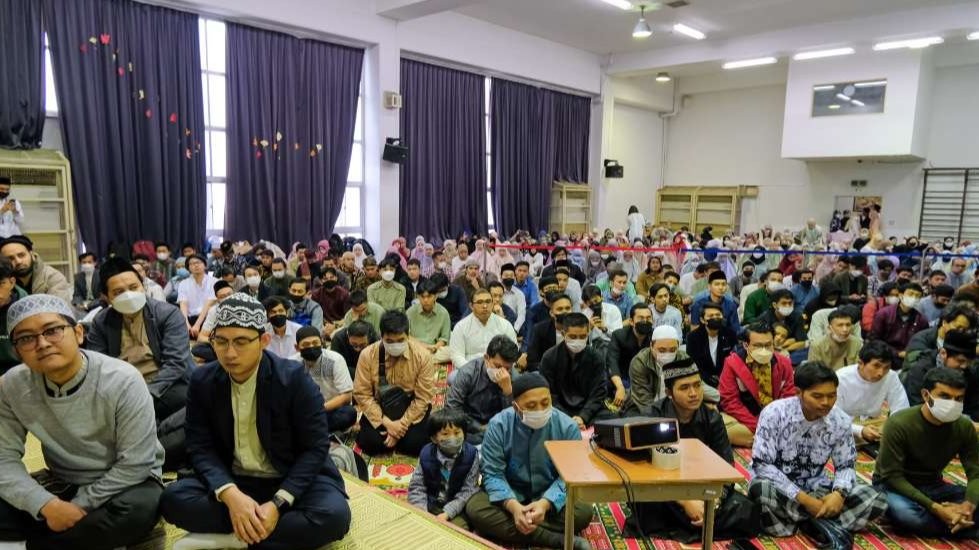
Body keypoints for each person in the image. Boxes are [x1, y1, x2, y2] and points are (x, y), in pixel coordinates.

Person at [160, 293, 351, 550]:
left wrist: (278, 504)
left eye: (240, 342)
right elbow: (200, 446)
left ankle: (233, 539)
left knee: (333, 516)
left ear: (263, 340)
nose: (229, 353)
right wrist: (230, 495)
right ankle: (265, 535)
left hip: (287, 476)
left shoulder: (294, 379)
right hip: (235, 479)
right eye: (221, 341)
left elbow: (314, 449)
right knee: (173, 500)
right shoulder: (203, 380)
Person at [0, 294, 164, 548]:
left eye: (52, 330)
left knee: (138, 510)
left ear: (78, 333)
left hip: (126, 485)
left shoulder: (122, 379)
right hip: (63, 482)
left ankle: (40, 542)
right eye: (26, 339)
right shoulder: (11, 385)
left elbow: (136, 463)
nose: (42, 344)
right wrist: (47, 505)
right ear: (17, 350)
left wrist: (76, 506)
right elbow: (3, 459)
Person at [748, 362, 887, 547]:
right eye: (817, 396)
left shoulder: (840, 420)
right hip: (781, 490)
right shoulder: (775, 413)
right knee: (761, 490)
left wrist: (839, 494)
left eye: (832, 396)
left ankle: (803, 521)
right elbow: (762, 465)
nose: (826, 402)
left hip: (817, 488)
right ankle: (819, 522)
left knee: (877, 498)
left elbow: (846, 465)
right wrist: (805, 501)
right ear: (798, 392)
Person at [634, 359, 759, 542]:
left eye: (697, 385)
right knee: (645, 508)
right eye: (684, 388)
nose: (693, 393)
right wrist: (684, 501)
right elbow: (643, 471)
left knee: (747, 511)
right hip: (663, 488)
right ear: (669, 393)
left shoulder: (712, 418)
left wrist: (713, 503)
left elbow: (726, 467)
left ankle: (701, 519)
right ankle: (698, 521)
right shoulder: (652, 417)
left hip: (701, 487)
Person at [85, 257, 194, 468]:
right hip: (122, 390)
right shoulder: (101, 321)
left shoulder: (167, 314)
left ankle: (144, 451)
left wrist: (144, 395)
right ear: (106, 297)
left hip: (165, 386)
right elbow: (98, 367)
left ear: (142, 286)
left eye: (133, 287)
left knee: (195, 405)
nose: (128, 294)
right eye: (118, 292)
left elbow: (176, 364)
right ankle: (147, 450)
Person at [465, 373, 593, 550]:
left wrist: (545, 503)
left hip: (548, 498)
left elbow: (570, 476)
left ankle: (523, 527)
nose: (540, 410)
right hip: (510, 495)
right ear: (516, 407)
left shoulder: (567, 427)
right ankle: (556, 540)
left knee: (583, 512)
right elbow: (492, 473)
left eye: (545, 403)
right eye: (531, 406)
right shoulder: (498, 425)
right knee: (475, 508)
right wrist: (514, 507)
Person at [874, 367, 979, 540]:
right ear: (925, 395)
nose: (953, 403)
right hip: (893, 487)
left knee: (975, 498)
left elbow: (975, 472)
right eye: (945, 396)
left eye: (958, 398)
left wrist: (968, 506)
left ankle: (951, 521)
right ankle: (961, 527)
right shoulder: (899, 423)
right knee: (906, 515)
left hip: (933, 485)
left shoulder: (964, 426)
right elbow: (892, 476)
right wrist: (936, 508)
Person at [354, 310, 435, 456]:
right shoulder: (367, 354)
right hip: (380, 406)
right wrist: (387, 423)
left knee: (415, 445)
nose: (395, 345)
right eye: (389, 341)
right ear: (382, 336)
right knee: (371, 444)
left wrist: (400, 427)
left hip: (411, 406)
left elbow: (423, 398)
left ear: (408, 335)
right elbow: (362, 394)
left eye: (400, 340)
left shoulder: (423, 356)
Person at [718, 322, 796, 443]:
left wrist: (775, 422)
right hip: (745, 419)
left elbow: (788, 398)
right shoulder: (732, 363)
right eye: (758, 346)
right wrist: (759, 425)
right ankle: (771, 439)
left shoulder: (784, 363)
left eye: (768, 345)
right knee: (724, 430)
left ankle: (764, 439)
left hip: (775, 419)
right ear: (746, 345)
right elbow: (730, 401)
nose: (764, 350)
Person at [407, 409, 481, 529]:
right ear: (434, 438)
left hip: (457, 507)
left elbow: (469, 489)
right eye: (445, 434)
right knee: (416, 528)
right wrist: (422, 512)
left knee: (457, 531)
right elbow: (417, 486)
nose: (453, 438)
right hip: (431, 503)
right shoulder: (426, 454)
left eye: (457, 433)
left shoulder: (471, 455)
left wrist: (447, 513)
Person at [538, 313, 609, 429]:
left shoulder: (596, 357)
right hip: (558, 410)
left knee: (611, 419)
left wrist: (583, 416)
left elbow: (599, 392)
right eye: (572, 337)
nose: (578, 340)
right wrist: (566, 419)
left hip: (589, 410)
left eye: (582, 337)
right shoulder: (549, 357)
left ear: (588, 334)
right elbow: (549, 393)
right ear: (563, 334)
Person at [445, 335, 520, 445]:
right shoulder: (468, 372)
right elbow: (452, 408)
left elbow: (515, 418)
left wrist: (508, 393)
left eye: (507, 368)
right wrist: (479, 428)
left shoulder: (514, 378)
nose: (502, 372)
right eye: (497, 366)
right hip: (469, 422)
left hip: (498, 425)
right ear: (486, 357)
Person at [835, 341, 908, 446]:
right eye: (876, 366)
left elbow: (901, 408)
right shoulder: (841, 377)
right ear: (860, 363)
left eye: (886, 367)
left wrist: (892, 427)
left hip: (875, 425)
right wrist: (859, 430)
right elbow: (832, 415)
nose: (881, 373)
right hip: (844, 426)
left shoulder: (891, 376)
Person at [290, 326, 356, 433]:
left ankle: (307, 431)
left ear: (322, 342)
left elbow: (346, 396)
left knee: (349, 413)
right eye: (306, 345)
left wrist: (318, 409)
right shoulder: (292, 364)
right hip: (304, 412)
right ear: (297, 347)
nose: (311, 347)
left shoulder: (334, 360)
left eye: (315, 343)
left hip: (329, 409)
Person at [902, 329, 979, 411]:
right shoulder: (920, 371)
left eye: (969, 362)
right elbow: (918, 406)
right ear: (943, 353)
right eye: (960, 361)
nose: (964, 366)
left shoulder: (970, 372)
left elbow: (974, 406)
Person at [629, 325, 693, 416]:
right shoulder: (640, 362)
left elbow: (695, 387)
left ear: (678, 346)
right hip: (642, 408)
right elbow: (643, 401)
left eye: (672, 350)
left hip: (676, 407)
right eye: (662, 350)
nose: (667, 354)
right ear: (651, 346)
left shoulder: (684, 359)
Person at [449, 288, 518, 370]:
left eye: (488, 302)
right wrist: (473, 371)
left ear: (492, 304)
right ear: (471, 306)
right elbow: (457, 356)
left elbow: (514, 351)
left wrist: (501, 368)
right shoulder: (461, 327)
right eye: (480, 302)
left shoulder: (505, 324)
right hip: (471, 371)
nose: (485, 306)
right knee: (452, 378)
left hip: (500, 369)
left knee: (519, 380)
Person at [605, 303, 652, 408]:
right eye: (641, 318)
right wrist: (620, 387)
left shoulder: (654, 337)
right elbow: (612, 362)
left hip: (645, 380)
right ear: (631, 321)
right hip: (622, 378)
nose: (645, 321)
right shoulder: (619, 335)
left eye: (648, 318)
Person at [0, 235, 72, 303]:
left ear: (32, 255)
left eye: (21, 255)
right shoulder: (4, 280)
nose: (18, 261)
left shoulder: (52, 277)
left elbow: (60, 312)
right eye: (11, 258)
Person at [869, 282, 929, 363]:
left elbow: (922, 343)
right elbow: (874, 339)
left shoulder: (922, 320)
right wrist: (897, 353)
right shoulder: (884, 314)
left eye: (917, 296)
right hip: (883, 355)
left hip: (908, 359)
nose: (914, 298)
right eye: (911, 294)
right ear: (901, 295)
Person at [686, 302, 737, 388]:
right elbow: (693, 365)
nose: (715, 318)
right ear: (702, 320)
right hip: (702, 380)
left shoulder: (730, 334)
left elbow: (734, 360)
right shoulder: (693, 337)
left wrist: (723, 380)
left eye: (718, 315)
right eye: (711, 316)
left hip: (727, 378)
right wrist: (710, 380)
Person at [906, 304, 977, 364]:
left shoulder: (964, 341)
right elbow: (916, 364)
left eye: (965, 330)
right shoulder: (921, 339)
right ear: (945, 323)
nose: (961, 332)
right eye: (958, 327)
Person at [406, 279, 452, 363]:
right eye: (422, 297)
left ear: (436, 296)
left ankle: (421, 360)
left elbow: (444, 339)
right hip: (416, 347)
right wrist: (423, 347)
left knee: (451, 352)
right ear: (417, 296)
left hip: (435, 349)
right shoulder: (410, 312)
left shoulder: (443, 313)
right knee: (405, 350)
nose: (426, 300)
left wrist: (434, 347)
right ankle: (425, 360)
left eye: (429, 296)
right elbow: (407, 336)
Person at [525, 294, 574, 373]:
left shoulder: (579, 328)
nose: (564, 312)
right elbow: (532, 361)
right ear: (551, 313)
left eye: (568, 308)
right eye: (560, 309)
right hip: (547, 372)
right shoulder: (540, 329)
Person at [177, 254, 217, 338]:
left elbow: (208, 304)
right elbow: (183, 305)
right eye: (191, 264)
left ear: (205, 265)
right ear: (188, 268)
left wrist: (197, 325)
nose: (195, 265)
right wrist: (186, 324)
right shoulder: (183, 283)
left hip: (208, 319)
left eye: (198, 262)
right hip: (190, 319)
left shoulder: (214, 282)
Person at [312, 268, 350, 336]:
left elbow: (348, 316)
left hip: (340, 325)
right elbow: (316, 314)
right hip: (323, 325)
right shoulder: (316, 295)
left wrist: (335, 325)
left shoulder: (344, 294)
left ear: (336, 278)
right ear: (321, 281)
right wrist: (326, 325)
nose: (329, 280)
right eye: (325, 279)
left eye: (331, 277)